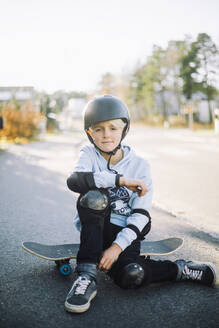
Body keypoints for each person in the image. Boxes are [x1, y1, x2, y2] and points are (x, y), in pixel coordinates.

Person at [65, 95, 217, 313]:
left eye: (113, 128)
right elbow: (75, 180)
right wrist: (120, 180)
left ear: (124, 129)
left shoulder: (140, 166)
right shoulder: (88, 154)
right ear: (89, 132)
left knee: (132, 275)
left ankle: (180, 269)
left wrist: (116, 249)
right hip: (95, 228)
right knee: (93, 198)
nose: (106, 134)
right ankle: (86, 278)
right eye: (98, 129)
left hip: (126, 233)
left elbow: (141, 215)